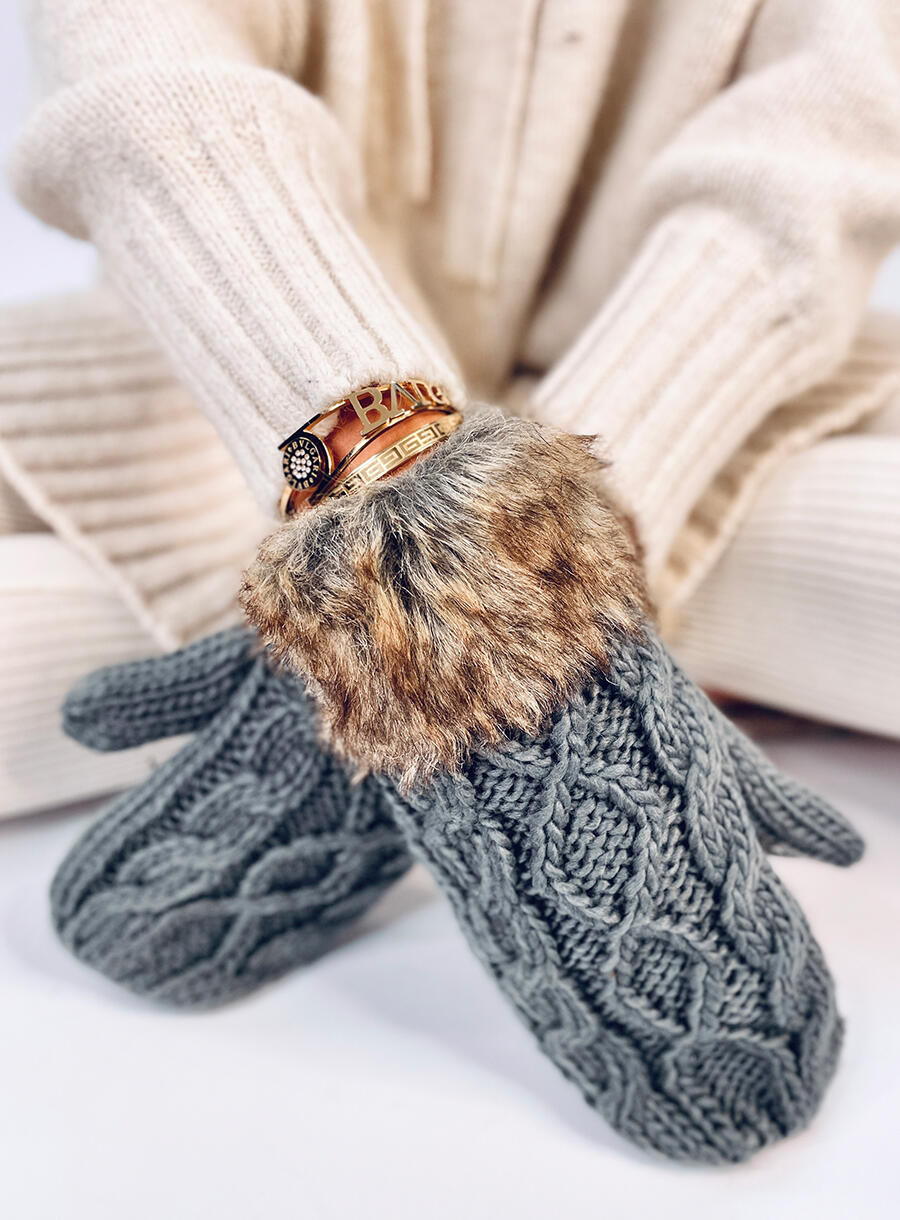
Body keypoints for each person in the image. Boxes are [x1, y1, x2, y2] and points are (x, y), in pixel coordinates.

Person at [1, 0, 899, 817]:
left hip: (707, 392)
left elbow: (815, 155)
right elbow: (151, 96)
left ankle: (466, 680)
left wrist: (545, 534)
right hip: (223, 373)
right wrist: (403, 483)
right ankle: (642, 656)